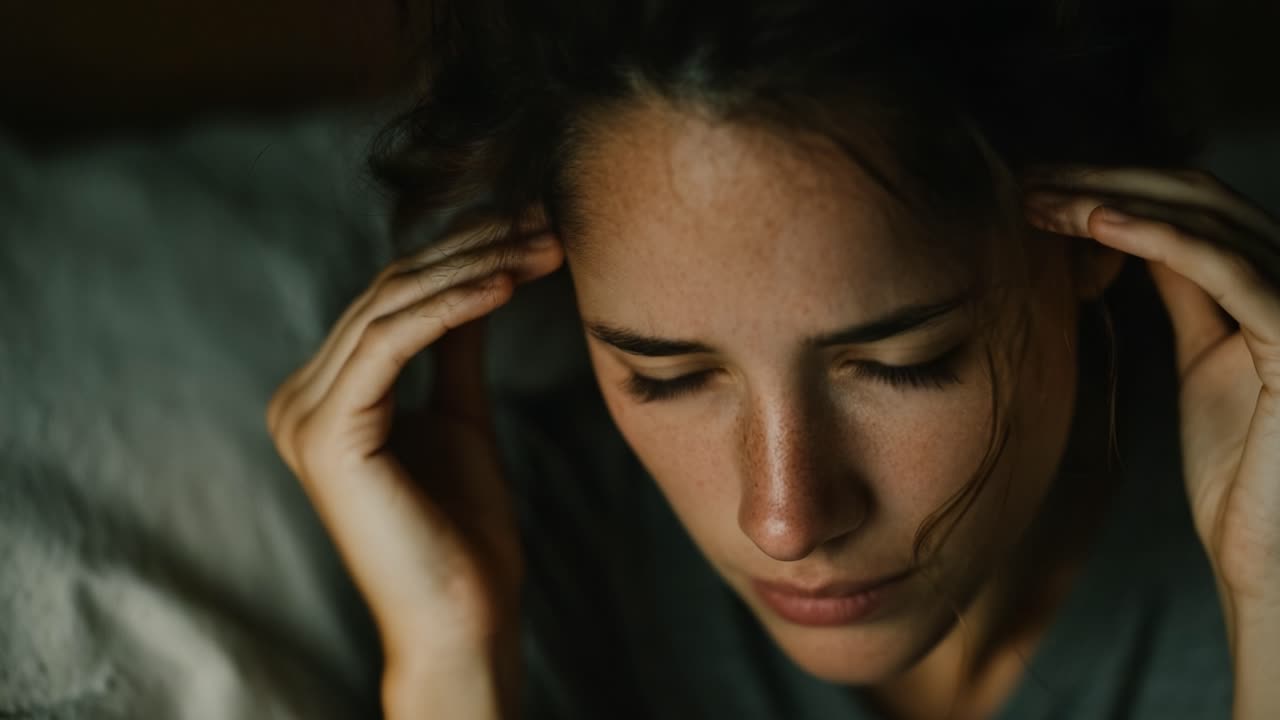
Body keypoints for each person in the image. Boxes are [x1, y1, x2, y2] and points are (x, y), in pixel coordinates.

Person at [266, 1, 1280, 717]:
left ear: (1080, 248)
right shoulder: (532, 547)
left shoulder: (1249, 506)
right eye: (663, 377)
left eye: (899, 364)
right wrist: (453, 665)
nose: (784, 520)